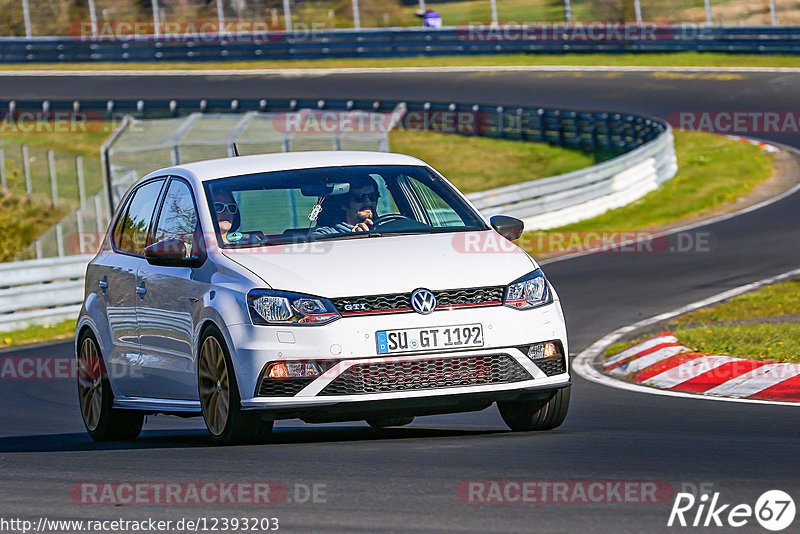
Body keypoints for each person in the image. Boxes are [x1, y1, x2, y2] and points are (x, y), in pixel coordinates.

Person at [314, 175, 380, 234]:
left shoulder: (384, 229)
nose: (368, 202)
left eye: (373, 197)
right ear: (344, 205)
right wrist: (356, 237)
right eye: (360, 198)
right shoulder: (327, 234)